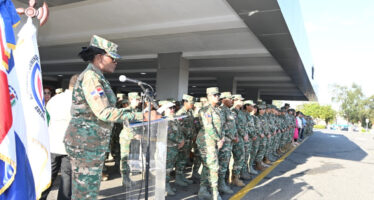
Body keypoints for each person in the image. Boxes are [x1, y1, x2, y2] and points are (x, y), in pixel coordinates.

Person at [63, 35, 149, 200]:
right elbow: (104, 112)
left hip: (89, 142)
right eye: (113, 58)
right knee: (85, 194)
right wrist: (141, 115)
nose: (116, 62)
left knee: (87, 191)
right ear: (99, 57)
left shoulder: (97, 77)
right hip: (86, 144)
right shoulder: (91, 78)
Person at [40, 75, 78, 200]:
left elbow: (46, 119)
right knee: (67, 178)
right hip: (69, 146)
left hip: (52, 144)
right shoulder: (77, 101)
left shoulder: (54, 99)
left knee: (47, 177)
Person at [196, 87, 224, 200]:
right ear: (208, 96)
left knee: (208, 166)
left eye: (218, 95)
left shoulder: (217, 110)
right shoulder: (205, 111)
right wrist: (219, 139)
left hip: (214, 142)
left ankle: (203, 190)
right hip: (207, 142)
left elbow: (221, 126)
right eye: (214, 95)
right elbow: (209, 128)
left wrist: (221, 138)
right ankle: (214, 193)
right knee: (214, 167)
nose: (217, 97)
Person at [175, 94, 195, 186]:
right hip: (182, 140)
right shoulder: (180, 113)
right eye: (191, 102)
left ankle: (182, 176)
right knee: (180, 159)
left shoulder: (190, 112)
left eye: (193, 102)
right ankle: (178, 178)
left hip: (188, 140)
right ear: (185, 102)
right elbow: (179, 128)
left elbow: (192, 125)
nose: (192, 104)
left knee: (184, 159)